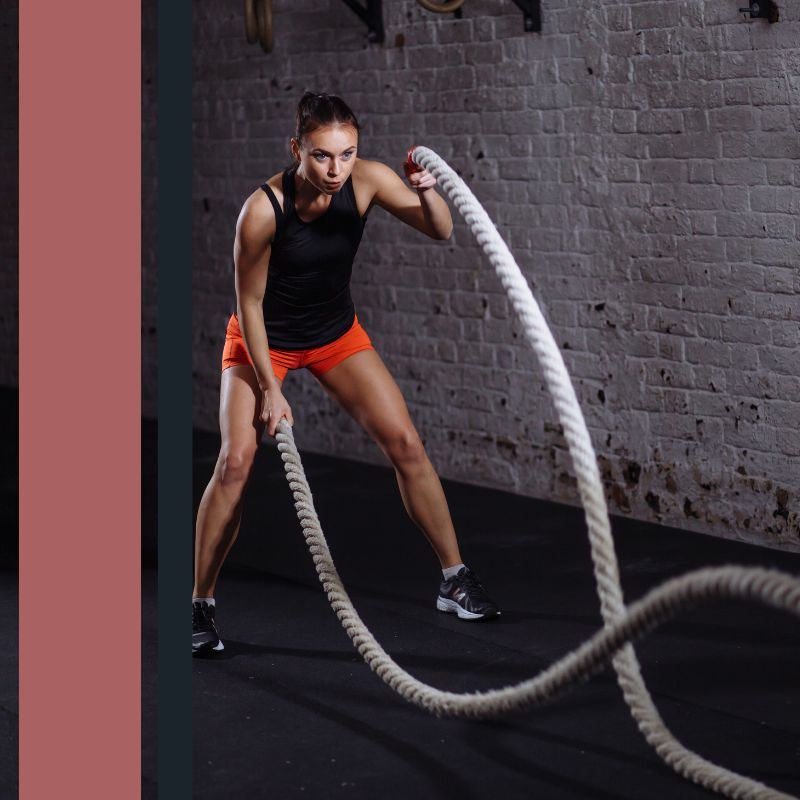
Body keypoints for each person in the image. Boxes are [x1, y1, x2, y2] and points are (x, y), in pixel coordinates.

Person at [192, 92, 500, 655]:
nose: (336, 170)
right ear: (297, 150)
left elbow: (440, 231)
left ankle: (455, 578)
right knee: (236, 460)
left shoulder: (369, 181)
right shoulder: (262, 210)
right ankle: (201, 604)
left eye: (347, 154)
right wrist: (270, 388)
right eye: (321, 156)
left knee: (406, 442)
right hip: (263, 342)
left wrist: (428, 192)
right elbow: (251, 306)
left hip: (334, 334)